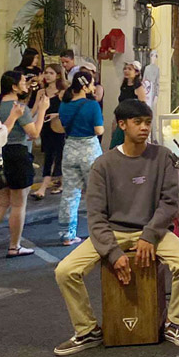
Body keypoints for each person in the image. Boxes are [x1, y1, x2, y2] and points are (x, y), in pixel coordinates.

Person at [53, 99, 179, 356]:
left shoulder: (163, 156)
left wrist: (149, 235)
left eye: (147, 122)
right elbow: (96, 216)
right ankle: (87, 330)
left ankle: (174, 324)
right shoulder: (104, 164)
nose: (144, 127)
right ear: (122, 124)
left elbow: (170, 203)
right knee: (66, 271)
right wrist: (112, 252)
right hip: (113, 231)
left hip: (153, 230)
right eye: (137, 122)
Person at [0, 72, 49, 257]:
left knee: (1, 201)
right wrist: (42, 110)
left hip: (0, 155)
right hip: (17, 155)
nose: (26, 84)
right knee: (18, 204)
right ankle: (14, 246)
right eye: (23, 82)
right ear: (14, 87)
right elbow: (33, 134)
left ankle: (15, 245)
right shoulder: (18, 108)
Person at [56, 71, 104, 246]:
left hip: (69, 149)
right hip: (89, 150)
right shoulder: (92, 105)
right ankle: (98, 233)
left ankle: (67, 235)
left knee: (70, 193)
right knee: (95, 194)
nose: (93, 87)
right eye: (91, 84)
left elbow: (62, 126)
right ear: (84, 86)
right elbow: (99, 130)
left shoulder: (64, 104)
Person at [32, 63, 67, 200]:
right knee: (49, 154)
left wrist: (57, 115)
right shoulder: (41, 92)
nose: (47, 75)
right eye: (46, 72)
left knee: (58, 155)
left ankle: (45, 186)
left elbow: (69, 111)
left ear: (58, 75)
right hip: (45, 127)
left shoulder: (63, 92)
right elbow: (34, 109)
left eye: (51, 73)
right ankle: (51, 183)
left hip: (59, 128)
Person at [109, 61, 146, 149]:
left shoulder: (138, 88)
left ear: (136, 72)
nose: (126, 71)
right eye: (125, 69)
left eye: (130, 69)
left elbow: (142, 106)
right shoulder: (124, 87)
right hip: (121, 119)